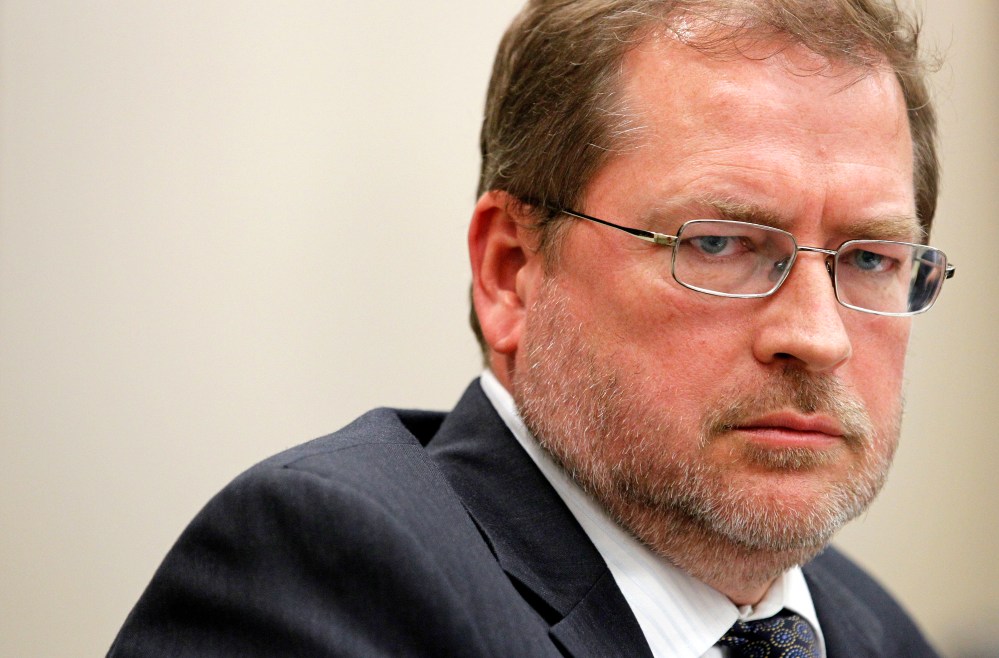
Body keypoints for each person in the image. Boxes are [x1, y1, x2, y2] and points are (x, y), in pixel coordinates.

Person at [109, 0, 956, 656]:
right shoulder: (332, 571)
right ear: (510, 270)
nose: (818, 337)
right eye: (718, 243)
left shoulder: (874, 631)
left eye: (871, 259)